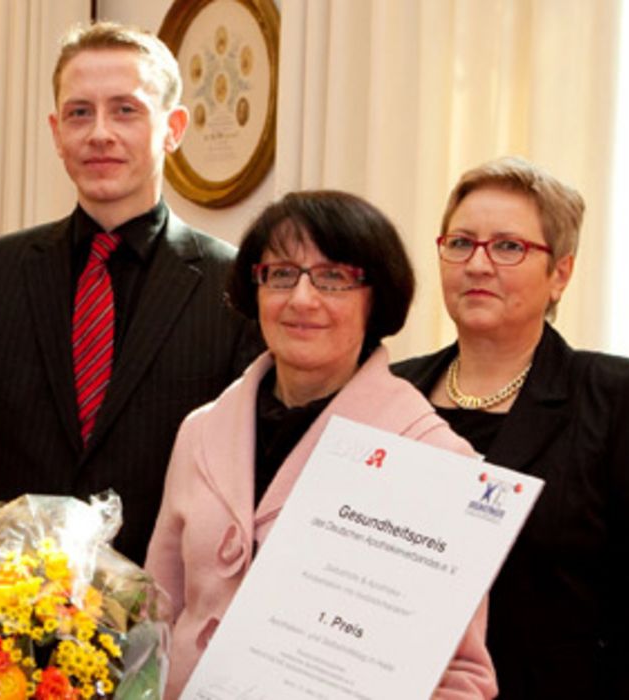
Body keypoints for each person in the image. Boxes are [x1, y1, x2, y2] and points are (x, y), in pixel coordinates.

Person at [0, 21, 258, 563]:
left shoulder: (233, 285)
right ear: (56, 131)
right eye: (80, 112)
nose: (100, 132)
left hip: (166, 618)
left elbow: (244, 479)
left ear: (173, 127)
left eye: (126, 109)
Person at [145, 191, 497, 699]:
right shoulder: (200, 431)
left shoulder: (436, 459)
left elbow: (462, 678)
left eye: (333, 278)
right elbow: (156, 613)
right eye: (281, 274)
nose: (301, 299)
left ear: (377, 298)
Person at [393, 157, 629, 697]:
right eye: (461, 242)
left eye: (508, 246)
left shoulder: (614, 394)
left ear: (560, 273)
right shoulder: (393, 390)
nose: (477, 264)